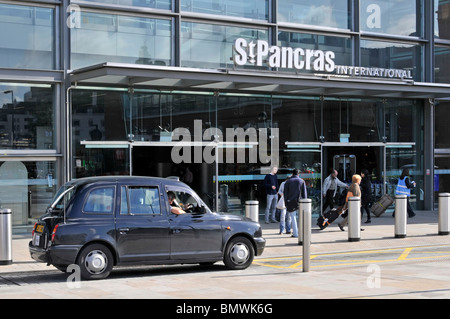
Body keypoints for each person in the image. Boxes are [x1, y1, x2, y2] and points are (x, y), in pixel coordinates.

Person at [283, 168, 307, 238]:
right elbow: (304, 193)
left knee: (293, 218)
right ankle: (302, 232)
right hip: (300, 202)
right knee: (301, 218)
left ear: (292, 174)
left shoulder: (288, 181)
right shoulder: (302, 181)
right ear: (298, 174)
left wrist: (286, 203)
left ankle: (295, 233)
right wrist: (305, 202)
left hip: (290, 202)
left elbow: (285, 194)